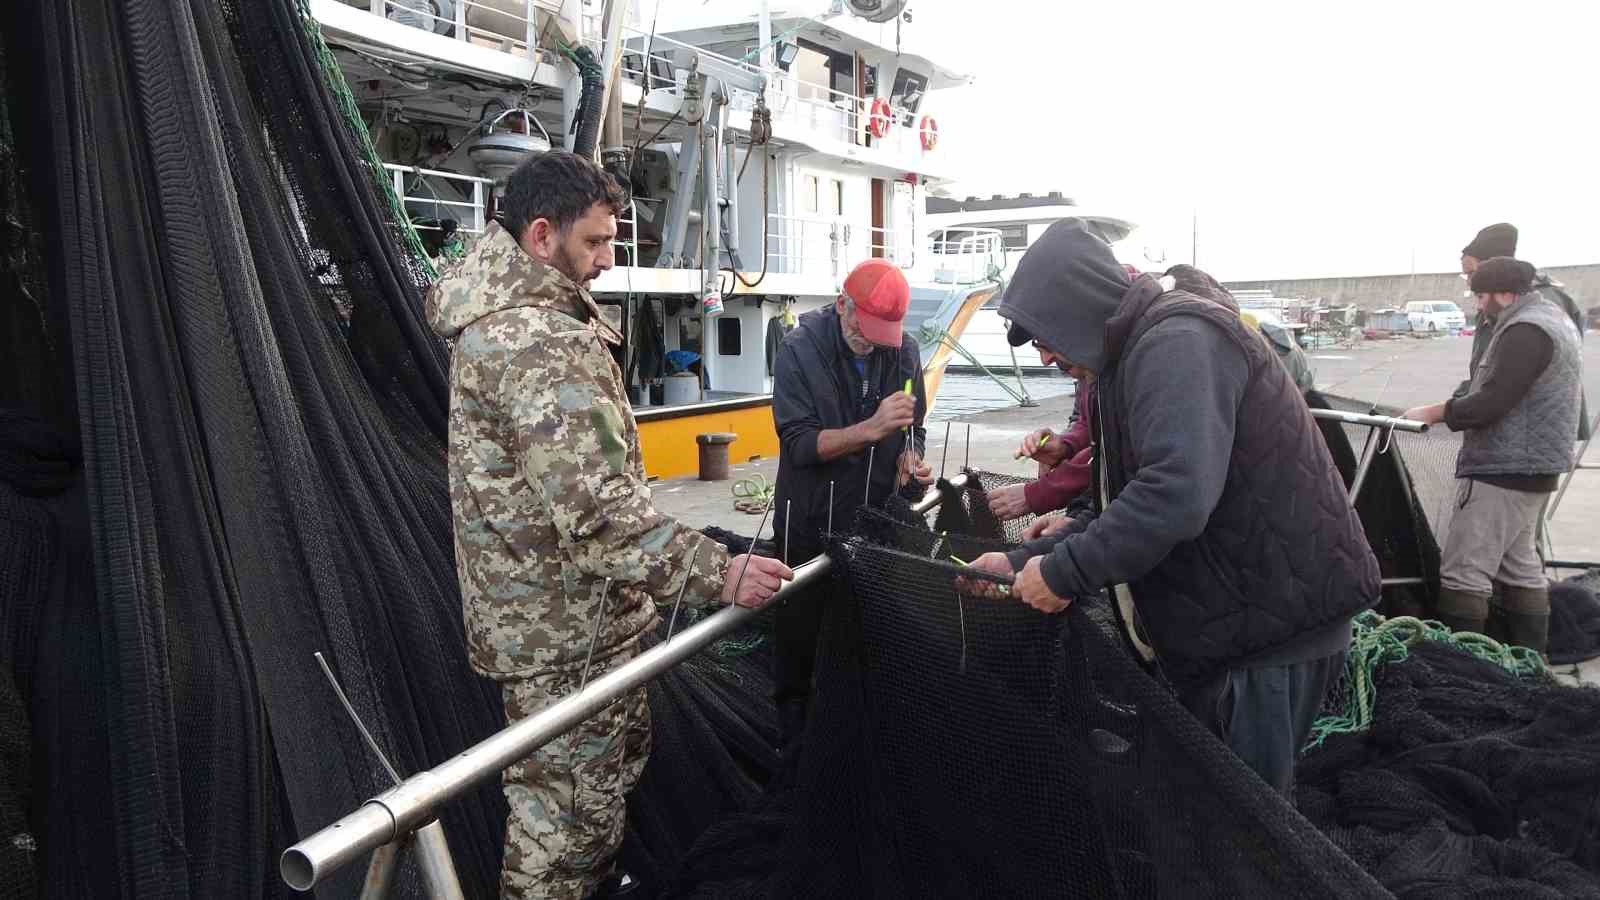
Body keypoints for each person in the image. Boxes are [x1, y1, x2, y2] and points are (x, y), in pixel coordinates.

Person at [426, 150, 792, 900]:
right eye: (593, 242)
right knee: (565, 834)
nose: (605, 261)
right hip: (568, 637)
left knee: (573, 810)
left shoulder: (497, 323)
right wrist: (718, 572)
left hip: (549, 624)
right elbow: (597, 516)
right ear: (540, 236)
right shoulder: (540, 343)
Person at [964, 219, 1379, 796]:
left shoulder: (1177, 341)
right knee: (1202, 805)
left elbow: (1175, 495)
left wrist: (1062, 574)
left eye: (1045, 336)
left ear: (1079, 307)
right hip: (1234, 622)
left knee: (1239, 820)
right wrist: (1018, 563)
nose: (1046, 353)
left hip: (1269, 632)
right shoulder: (1128, 357)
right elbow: (1127, 499)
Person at [770, 258, 933, 746]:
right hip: (809, 522)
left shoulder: (903, 349)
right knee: (801, 642)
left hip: (876, 520)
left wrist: (910, 458)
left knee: (869, 637)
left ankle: (861, 735)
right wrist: (872, 428)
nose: (872, 344)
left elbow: (914, 427)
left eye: (883, 336)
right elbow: (800, 444)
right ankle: (798, 746)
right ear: (842, 305)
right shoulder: (799, 349)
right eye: (864, 332)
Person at [1402, 258, 1583, 655]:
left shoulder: (1524, 330)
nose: (1479, 305)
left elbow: (1492, 402)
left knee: (1464, 573)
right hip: (1536, 469)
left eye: (1482, 295)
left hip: (1503, 469)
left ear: (1504, 293)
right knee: (1520, 567)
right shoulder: (1553, 318)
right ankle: (1529, 662)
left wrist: (1434, 412)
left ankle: (1465, 669)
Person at [1456, 223, 1590, 439]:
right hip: (1513, 431)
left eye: (1472, 272)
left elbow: (1508, 380)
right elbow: (1487, 369)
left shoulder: (1538, 308)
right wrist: (1465, 395)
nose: (1470, 283)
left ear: (1495, 265)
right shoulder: (1497, 301)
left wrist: (1447, 411)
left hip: (1531, 434)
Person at [987, 377, 1095, 533]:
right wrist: (1066, 445)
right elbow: (1087, 422)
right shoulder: (1086, 374)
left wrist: (1039, 493)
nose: (1045, 363)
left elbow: (1110, 448)